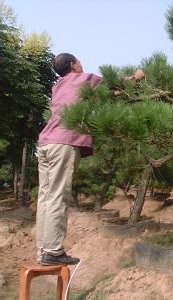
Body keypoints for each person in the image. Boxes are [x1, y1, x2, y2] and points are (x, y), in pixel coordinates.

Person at [36, 53, 144, 265]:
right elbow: (113, 85)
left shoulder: (58, 86)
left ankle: (43, 250)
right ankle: (53, 251)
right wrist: (136, 77)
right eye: (79, 61)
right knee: (58, 196)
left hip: (45, 143)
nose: (82, 64)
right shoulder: (83, 79)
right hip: (63, 144)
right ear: (74, 65)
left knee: (46, 197)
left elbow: (107, 93)